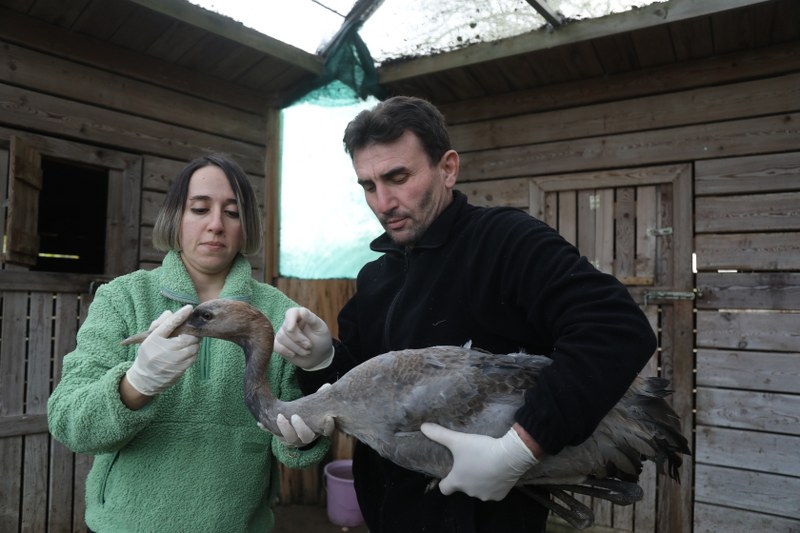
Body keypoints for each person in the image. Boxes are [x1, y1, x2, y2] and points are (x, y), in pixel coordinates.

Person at [273, 96, 657, 532]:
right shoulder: (375, 278)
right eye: (368, 185)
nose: (383, 202)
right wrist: (322, 361)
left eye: (398, 177)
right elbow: (363, 399)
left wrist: (519, 450)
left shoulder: (505, 242)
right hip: (387, 516)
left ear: (448, 168)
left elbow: (617, 329)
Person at [47, 153, 328, 532]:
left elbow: (295, 453)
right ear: (175, 217)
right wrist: (134, 385)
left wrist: (307, 423)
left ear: (247, 226)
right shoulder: (123, 298)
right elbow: (69, 422)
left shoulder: (282, 314)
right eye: (199, 209)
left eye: (232, 212)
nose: (216, 225)